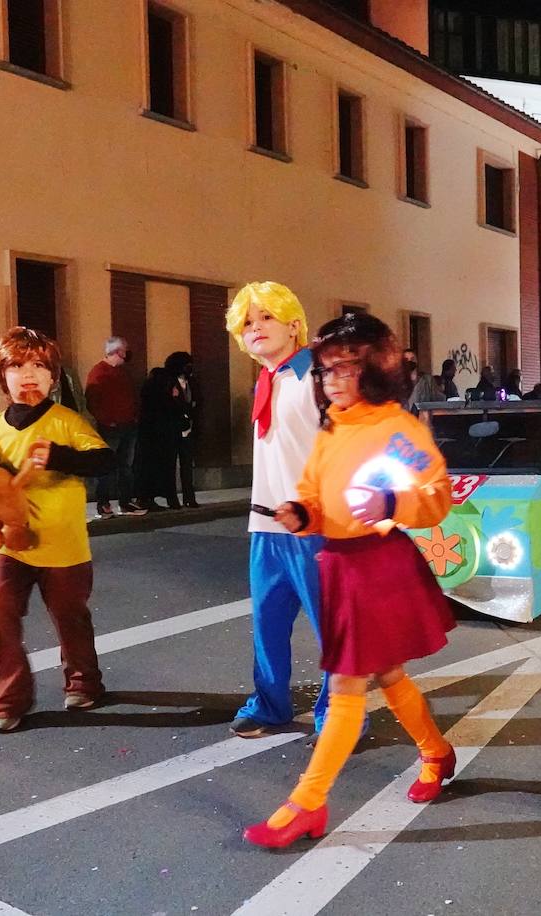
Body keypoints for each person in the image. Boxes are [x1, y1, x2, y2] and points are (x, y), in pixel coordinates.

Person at [243, 311, 457, 849]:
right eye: (326, 371)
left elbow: (436, 498)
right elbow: (314, 491)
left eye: (346, 370)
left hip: (377, 566)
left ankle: (306, 804)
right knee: (388, 673)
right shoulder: (333, 425)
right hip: (338, 565)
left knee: (345, 687)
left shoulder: (397, 427)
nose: (333, 381)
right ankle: (435, 750)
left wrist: (391, 501)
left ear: (376, 369)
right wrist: (300, 512)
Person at [0, 327, 115, 733]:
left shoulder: (67, 421)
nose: (27, 374)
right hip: (7, 544)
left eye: (38, 365)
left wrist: (60, 456)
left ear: (54, 377)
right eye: (16, 366)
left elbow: (106, 461)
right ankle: (9, 698)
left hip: (62, 542)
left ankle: (84, 681)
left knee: (70, 616)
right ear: (2, 377)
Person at [225, 282, 332, 738]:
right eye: (247, 323)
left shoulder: (320, 378)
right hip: (266, 525)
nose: (256, 328)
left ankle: (339, 714)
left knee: (333, 631)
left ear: (293, 324)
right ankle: (269, 705)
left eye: (266, 317)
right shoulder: (267, 380)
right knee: (267, 622)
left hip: (317, 525)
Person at [86, 337, 147, 517]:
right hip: (110, 428)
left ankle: (125, 502)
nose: (126, 355)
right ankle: (103, 504)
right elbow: (92, 401)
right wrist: (107, 420)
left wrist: (135, 416)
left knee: (126, 467)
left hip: (128, 425)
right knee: (106, 466)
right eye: (124, 351)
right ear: (116, 352)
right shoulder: (98, 372)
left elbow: (133, 396)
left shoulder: (123, 372)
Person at [136, 352, 199, 510]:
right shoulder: (166, 382)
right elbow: (166, 405)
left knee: (186, 465)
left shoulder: (191, 382)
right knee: (169, 465)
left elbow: (195, 400)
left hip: (187, 429)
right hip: (171, 431)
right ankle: (172, 498)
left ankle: (189, 498)